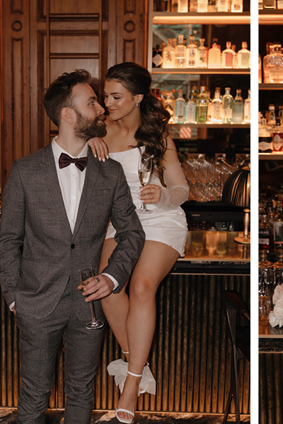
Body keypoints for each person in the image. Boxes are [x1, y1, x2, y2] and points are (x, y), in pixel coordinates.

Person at [0, 69, 145, 424]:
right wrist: (14, 296)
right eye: (91, 102)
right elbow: (8, 240)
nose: (100, 108)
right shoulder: (25, 171)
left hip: (88, 305)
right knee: (33, 395)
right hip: (36, 301)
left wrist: (111, 278)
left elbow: (133, 234)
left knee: (82, 391)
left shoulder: (110, 173)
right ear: (68, 114)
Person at [87, 62, 189, 423]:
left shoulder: (159, 137)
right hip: (121, 223)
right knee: (107, 286)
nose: (108, 103)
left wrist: (162, 195)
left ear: (138, 98)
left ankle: (131, 385)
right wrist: (89, 142)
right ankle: (137, 362)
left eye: (116, 97)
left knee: (143, 286)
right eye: (105, 96)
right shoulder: (97, 131)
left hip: (161, 219)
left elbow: (182, 190)